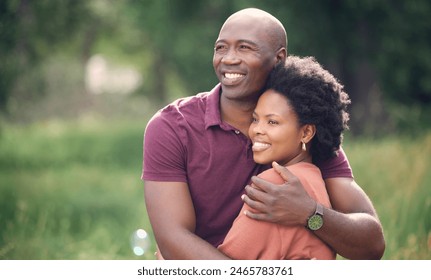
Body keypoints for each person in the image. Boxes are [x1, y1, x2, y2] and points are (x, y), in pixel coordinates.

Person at [142, 8, 385, 260]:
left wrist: (310, 213)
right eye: (221, 48)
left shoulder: (302, 130)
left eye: (245, 48)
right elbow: (173, 240)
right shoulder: (172, 126)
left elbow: (372, 245)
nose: (228, 59)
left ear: (279, 58)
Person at [218, 55, 350, 260]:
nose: (257, 130)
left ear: (306, 133)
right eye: (255, 119)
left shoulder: (276, 183)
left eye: (272, 122)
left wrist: (175, 260)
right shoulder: (314, 178)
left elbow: (226, 264)